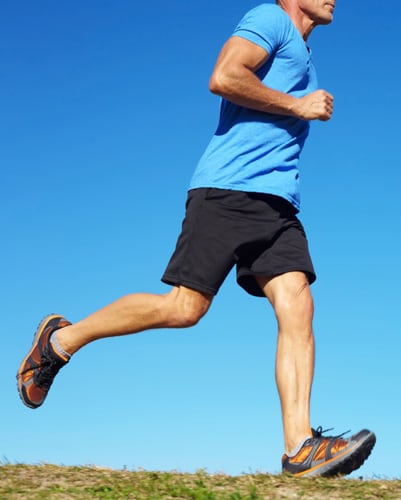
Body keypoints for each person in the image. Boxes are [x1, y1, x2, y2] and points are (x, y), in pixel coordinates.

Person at [17, 0, 375, 477]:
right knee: (184, 308)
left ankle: (299, 447)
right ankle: (59, 341)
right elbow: (224, 76)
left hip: (277, 203)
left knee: (297, 301)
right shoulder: (270, 19)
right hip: (228, 191)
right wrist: (297, 105)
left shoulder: (304, 52)